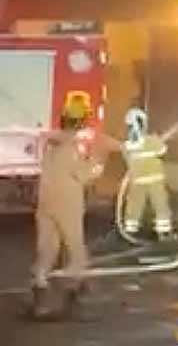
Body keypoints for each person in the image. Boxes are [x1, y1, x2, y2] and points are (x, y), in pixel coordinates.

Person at [30, 108, 104, 319]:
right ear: (79, 125)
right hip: (67, 206)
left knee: (47, 249)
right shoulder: (72, 148)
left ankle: (40, 296)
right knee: (75, 248)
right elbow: (83, 175)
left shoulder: (52, 146)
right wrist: (97, 164)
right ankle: (77, 294)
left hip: (46, 205)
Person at [120, 108, 172, 240]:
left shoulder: (127, 145)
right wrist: (158, 139)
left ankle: (130, 230)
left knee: (134, 205)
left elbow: (127, 159)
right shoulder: (151, 140)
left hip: (137, 181)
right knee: (160, 205)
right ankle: (163, 233)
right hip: (155, 180)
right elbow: (163, 150)